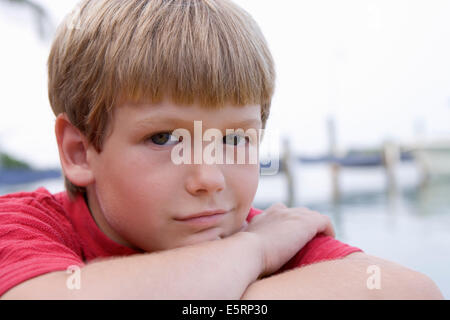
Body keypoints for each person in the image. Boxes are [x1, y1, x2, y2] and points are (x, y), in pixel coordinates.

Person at [0, 0, 443, 299]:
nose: (209, 178)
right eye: (163, 138)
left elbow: (411, 291)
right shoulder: (22, 226)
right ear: (79, 152)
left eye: (234, 140)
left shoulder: (259, 228)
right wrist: (250, 256)